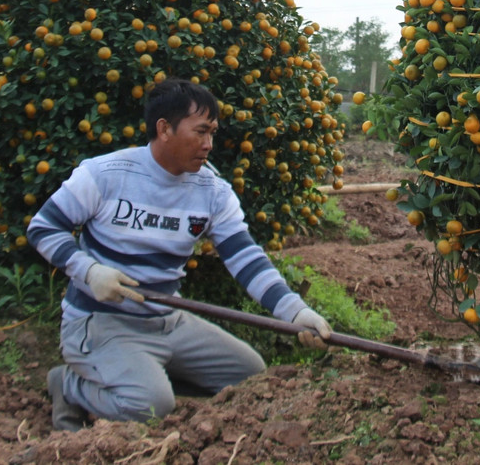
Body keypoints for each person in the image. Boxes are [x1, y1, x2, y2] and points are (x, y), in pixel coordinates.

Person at [27, 78, 331, 429]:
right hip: (102, 322)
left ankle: (142, 381)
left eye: (213, 132)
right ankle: (68, 385)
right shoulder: (104, 175)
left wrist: (296, 312)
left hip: (168, 319)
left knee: (250, 377)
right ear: (164, 129)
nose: (209, 144)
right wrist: (89, 271)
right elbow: (43, 228)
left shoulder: (212, 191)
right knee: (150, 406)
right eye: (200, 132)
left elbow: (246, 258)